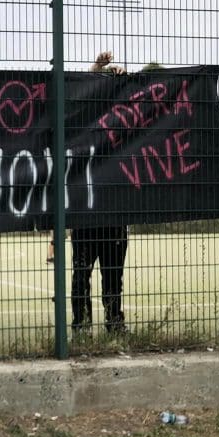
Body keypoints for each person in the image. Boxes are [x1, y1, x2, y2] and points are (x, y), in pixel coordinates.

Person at [71, 51, 129, 335]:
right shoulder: (81, 129)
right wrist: (96, 69)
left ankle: (114, 322)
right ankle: (81, 324)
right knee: (82, 273)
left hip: (114, 212)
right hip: (85, 213)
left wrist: (123, 79)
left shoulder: (125, 131)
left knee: (113, 274)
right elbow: (78, 98)